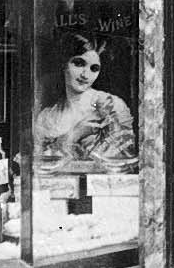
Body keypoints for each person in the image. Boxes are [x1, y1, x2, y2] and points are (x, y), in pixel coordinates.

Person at [34, 32, 136, 171]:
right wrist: (75, 134)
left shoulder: (111, 105)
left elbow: (126, 160)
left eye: (94, 68)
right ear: (64, 64)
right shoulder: (47, 117)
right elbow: (38, 165)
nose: (85, 75)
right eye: (79, 63)